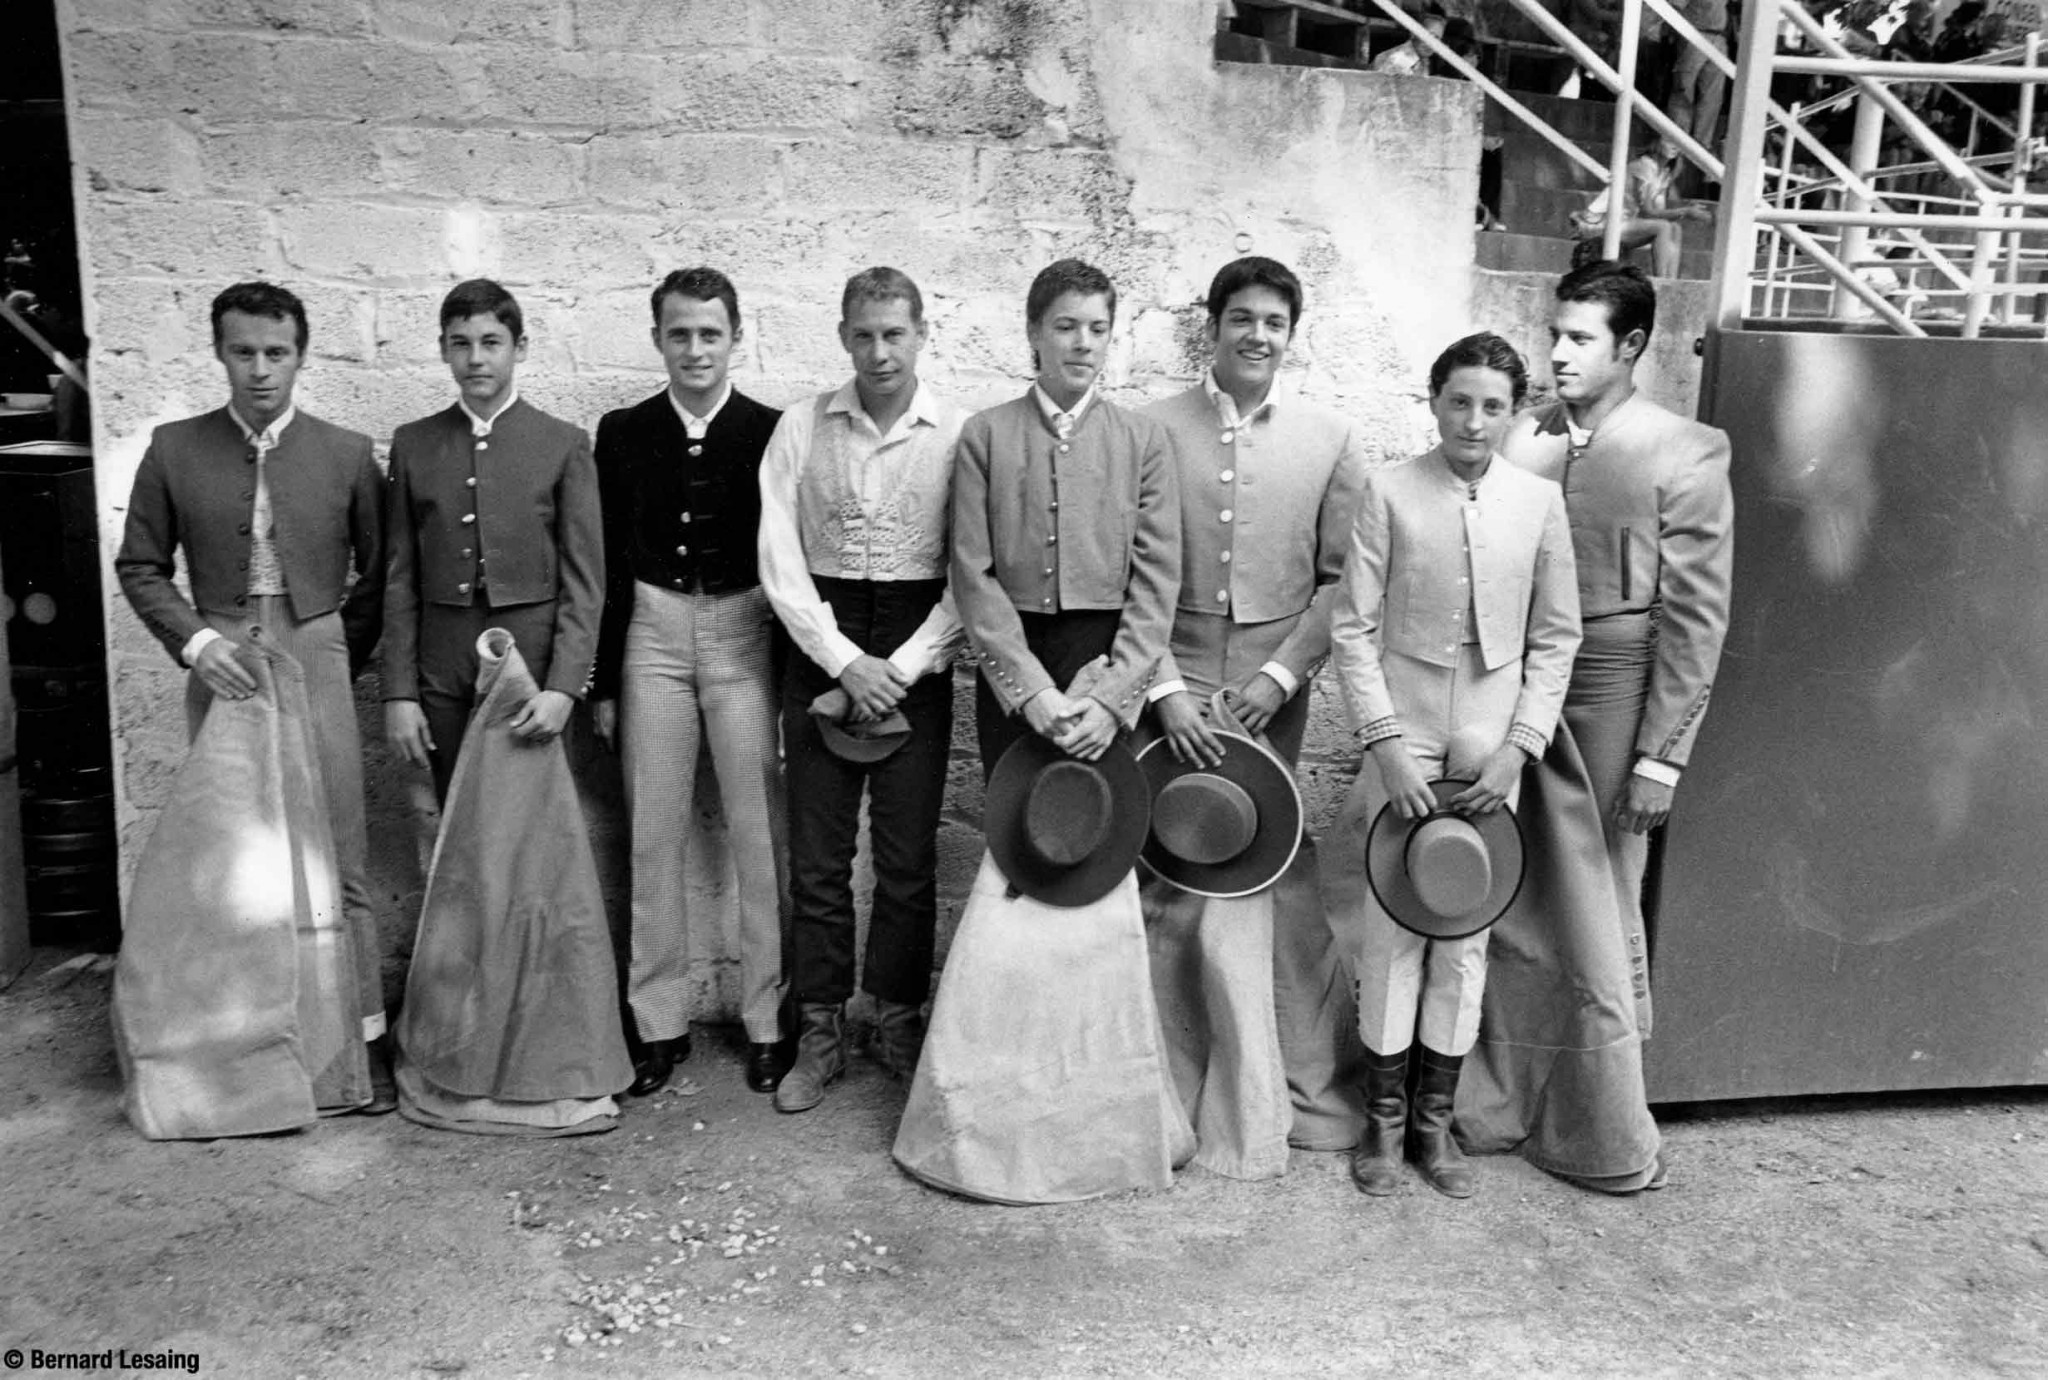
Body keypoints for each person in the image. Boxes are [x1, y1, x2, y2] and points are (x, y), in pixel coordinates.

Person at [892, 258, 1187, 1204]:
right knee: (1022, 869)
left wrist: (1106, 697)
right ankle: (1002, 1109)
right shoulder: (985, 436)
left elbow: (1156, 584)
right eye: (1064, 327)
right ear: (1033, 335)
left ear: (1112, 337)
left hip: (1107, 676)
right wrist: (1030, 695)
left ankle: (1102, 1114)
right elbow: (973, 581)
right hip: (1020, 679)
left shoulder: (1141, 442)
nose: (1082, 344)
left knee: (1098, 876)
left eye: (1097, 328)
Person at [114, 280, 390, 1111]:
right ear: (219, 353)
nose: (261, 370)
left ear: (302, 355)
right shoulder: (174, 446)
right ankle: (237, 1058)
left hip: (315, 649)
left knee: (340, 857)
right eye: (244, 353)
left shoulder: (345, 452)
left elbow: (379, 575)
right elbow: (141, 566)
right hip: (223, 658)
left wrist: (336, 648)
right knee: (234, 865)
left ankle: (359, 1055)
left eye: (277, 353)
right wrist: (198, 643)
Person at [1326, 331, 1580, 1200]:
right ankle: (1383, 1125)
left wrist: (1519, 748)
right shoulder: (1389, 491)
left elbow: (1556, 638)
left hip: (1489, 740)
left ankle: (1436, 1127)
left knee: (1464, 935)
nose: (1474, 421)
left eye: (1494, 406)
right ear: (1433, 402)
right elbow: (1353, 629)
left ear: (1515, 414)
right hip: (1407, 729)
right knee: (1395, 926)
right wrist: (1384, 741)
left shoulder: (1539, 502)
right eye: (1459, 401)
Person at [1139, 255, 1367, 1174]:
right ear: (1213, 326)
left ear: (1291, 333)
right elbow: (1127, 574)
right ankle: (1162, 1095)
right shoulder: (1151, 428)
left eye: (1274, 320)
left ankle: (1265, 1093)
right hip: (1175, 682)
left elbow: (1341, 580)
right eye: (1241, 317)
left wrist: (1278, 675)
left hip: (1269, 687)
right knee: (1164, 872)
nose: (1256, 334)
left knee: (1254, 872)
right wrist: (1163, 689)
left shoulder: (1328, 438)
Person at [756, 267, 967, 1114]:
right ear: (843, 336)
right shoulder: (801, 427)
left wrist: (902, 669)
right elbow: (778, 560)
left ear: (921, 335)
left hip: (920, 643)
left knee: (910, 860)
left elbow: (970, 572)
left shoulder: (957, 432)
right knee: (818, 860)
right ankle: (819, 1027)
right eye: (864, 334)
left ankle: (896, 1016)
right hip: (821, 642)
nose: (880, 351)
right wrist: (844, 663)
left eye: (896, 334)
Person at [1501, 259, 1734, 1007]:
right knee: (1504, 884)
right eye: (1554, 336)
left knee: (1600, 893)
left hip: (1611, 692)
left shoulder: (1686, 448)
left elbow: (1697, 617)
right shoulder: (1520, 440)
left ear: (1630, 346)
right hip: (1513, 686)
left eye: (1580, 339)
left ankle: (1599, 1110)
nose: (1559, 355)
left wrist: (1659, 762)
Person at [592, 268, 789, 1098]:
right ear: (658, 340)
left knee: (758, 836)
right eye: (680, 334)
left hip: (744, 633)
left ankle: (770, 1020)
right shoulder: (623, 430)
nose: (696, 349)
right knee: (654, 834)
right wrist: (603, 679)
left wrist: (785, 681)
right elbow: (604, 561)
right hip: (654, 635)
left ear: (735, 337)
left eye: (711, 333)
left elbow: (788, 564)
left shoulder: (773, 430)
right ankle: (657, 1022)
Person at [383, 278, 604, 806]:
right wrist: (398, 691)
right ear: (443, 349)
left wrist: (564, 687)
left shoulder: (562, 443)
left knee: (531, 820)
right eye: (461, 343)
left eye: (491, 342)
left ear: (519, 348)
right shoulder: (413, 444)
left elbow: (585, 584)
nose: (475, 359)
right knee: (456, 813)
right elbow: (399, 577)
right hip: (441, 664)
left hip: (532, 657)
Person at [1569, 137, 1711, 278]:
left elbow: (1658, 212)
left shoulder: (1663, 173)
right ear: (1655, 141)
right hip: (1602, 224)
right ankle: (1661, 280)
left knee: (1675, 228)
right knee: (1663, 227)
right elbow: (1648, 212)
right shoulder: (1644, 166)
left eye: (1678, 143)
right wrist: (1685, 211)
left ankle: (1671, 281)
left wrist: (1686, 210)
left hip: (1624, 223)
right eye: (1669, 141)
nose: (1675, 146)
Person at [1667, 0, 1730, 166]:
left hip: (1719, 36)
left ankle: (1702, 143)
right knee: (1684, 90)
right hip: (1694, 33)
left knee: (1713, 95)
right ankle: (1677, 141)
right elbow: (1675, 5)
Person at [1372, 13, 1446, 76]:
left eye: (1437, 38)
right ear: (1413, 33)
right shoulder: (1396, 59)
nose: (1431, 43)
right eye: (1428, 35)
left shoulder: (1423, 61)